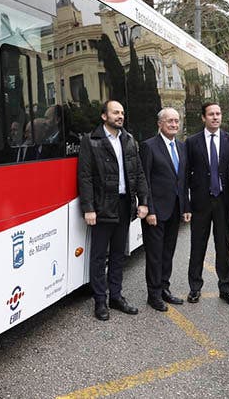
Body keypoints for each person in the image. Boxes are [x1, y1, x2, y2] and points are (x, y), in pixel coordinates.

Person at [78, 100, 149, 321]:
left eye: (122, 113)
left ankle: (116, 297)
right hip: (101, 206)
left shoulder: (128, 140)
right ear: (104, 116)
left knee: (119, 255)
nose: (120, 116)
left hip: (124, 203)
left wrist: (143, 201)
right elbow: (85, 177)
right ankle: (100, 301)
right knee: (99, 256)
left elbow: (138, 173)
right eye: (115, 112)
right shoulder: (91, 141)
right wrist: (89, 208)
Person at [185, 102, 229, 306]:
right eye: (211, 114)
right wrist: (186, 205)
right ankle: (194, 287)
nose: (215, 117)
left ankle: (225, 288)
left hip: (224, 202)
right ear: (203, 118)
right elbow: (184, 174)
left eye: (218, 114)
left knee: (223, 246)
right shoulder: (191, 142)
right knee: (197, 246)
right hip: (200, 202)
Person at [139, 107, 191, 312]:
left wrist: (186, 206)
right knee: (154, 254)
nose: (174, 125)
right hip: (156, 212)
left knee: (168, 253)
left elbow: (183, 180)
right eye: (170, 121)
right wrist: (149, 209)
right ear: (160, 123)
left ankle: (164, 289)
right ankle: (153, 295)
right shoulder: (149, 146)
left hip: (175, 209)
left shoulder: (181, 146)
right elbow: (145, 181)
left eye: (177, 121)